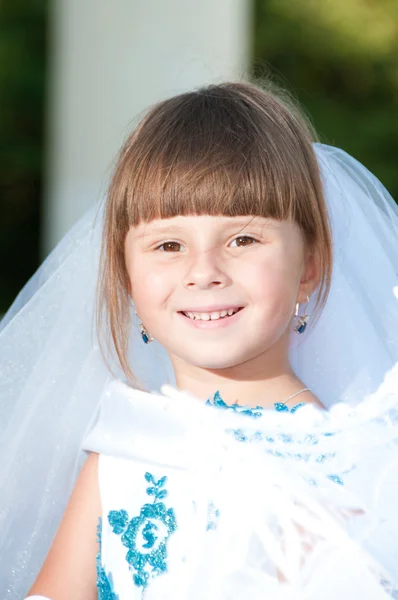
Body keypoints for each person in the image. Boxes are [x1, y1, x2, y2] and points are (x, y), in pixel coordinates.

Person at [1, 80, 398, 600]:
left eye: (242, 239)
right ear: (126, 278)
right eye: (168, 244)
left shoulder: (351, 468)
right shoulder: (125, 445)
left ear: (310, 266)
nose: (204, 272)